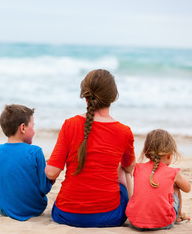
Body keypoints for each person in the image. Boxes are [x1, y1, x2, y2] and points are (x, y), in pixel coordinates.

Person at [45, 69, 135, 227]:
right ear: (113, 97)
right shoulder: (124, 132)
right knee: (122, 171)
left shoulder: (70, 125)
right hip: (110, 215)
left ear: (85, 96)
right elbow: (129, 167)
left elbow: (52, 172)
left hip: (66, 213)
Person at [0, 104, 52, 221]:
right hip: (37, 208)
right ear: (23, 128)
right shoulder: (36, 152)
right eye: (33, 126)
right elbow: (45, 188)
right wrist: (52, 177)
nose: (34, 130)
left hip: (6, 210)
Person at [126, 129, 191, 230]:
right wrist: (175, 179)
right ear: (169, 155)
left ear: (147, 154)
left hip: (135, 222)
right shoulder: (172, 172)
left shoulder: (137, 168)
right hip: (164, 223)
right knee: (176, 187)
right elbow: (187, 188)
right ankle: (178, 216)